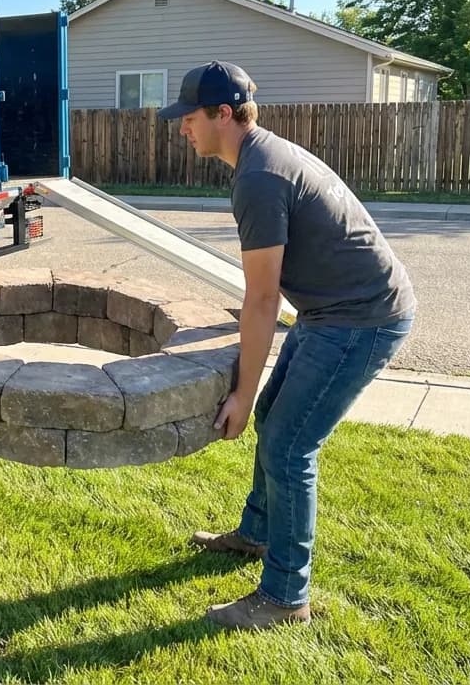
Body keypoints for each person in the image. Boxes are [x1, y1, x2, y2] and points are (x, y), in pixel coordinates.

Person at [158, 61, 416, 630]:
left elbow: (262, 299)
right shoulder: (261, 158)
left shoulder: (259, 177)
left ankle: (283, 597)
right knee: (280, 421)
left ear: (223, 114)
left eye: (189, 117)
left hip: (361, 318)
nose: (183, 128)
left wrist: (242, 393)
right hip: (334, 311)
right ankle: (256, 534)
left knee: (289, 446)